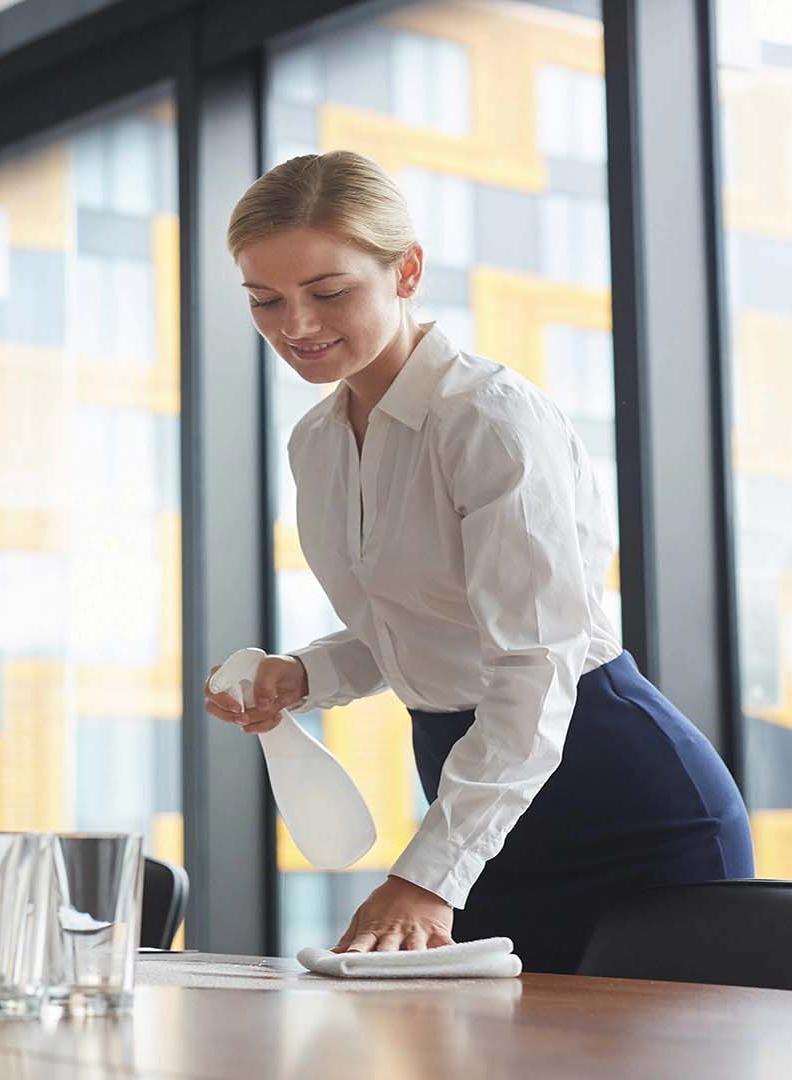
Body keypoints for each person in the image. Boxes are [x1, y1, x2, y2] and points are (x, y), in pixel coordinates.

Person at [203, 151, 752, 974]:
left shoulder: (489, 420)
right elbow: (425, 616)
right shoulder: (315, 443)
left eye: (329, 292)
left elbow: (532, 663)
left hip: (616, 799)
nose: (297, 326)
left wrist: (429, 874)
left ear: (407, 271)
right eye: (265, 300)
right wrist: (306, 675)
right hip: (475, 794)